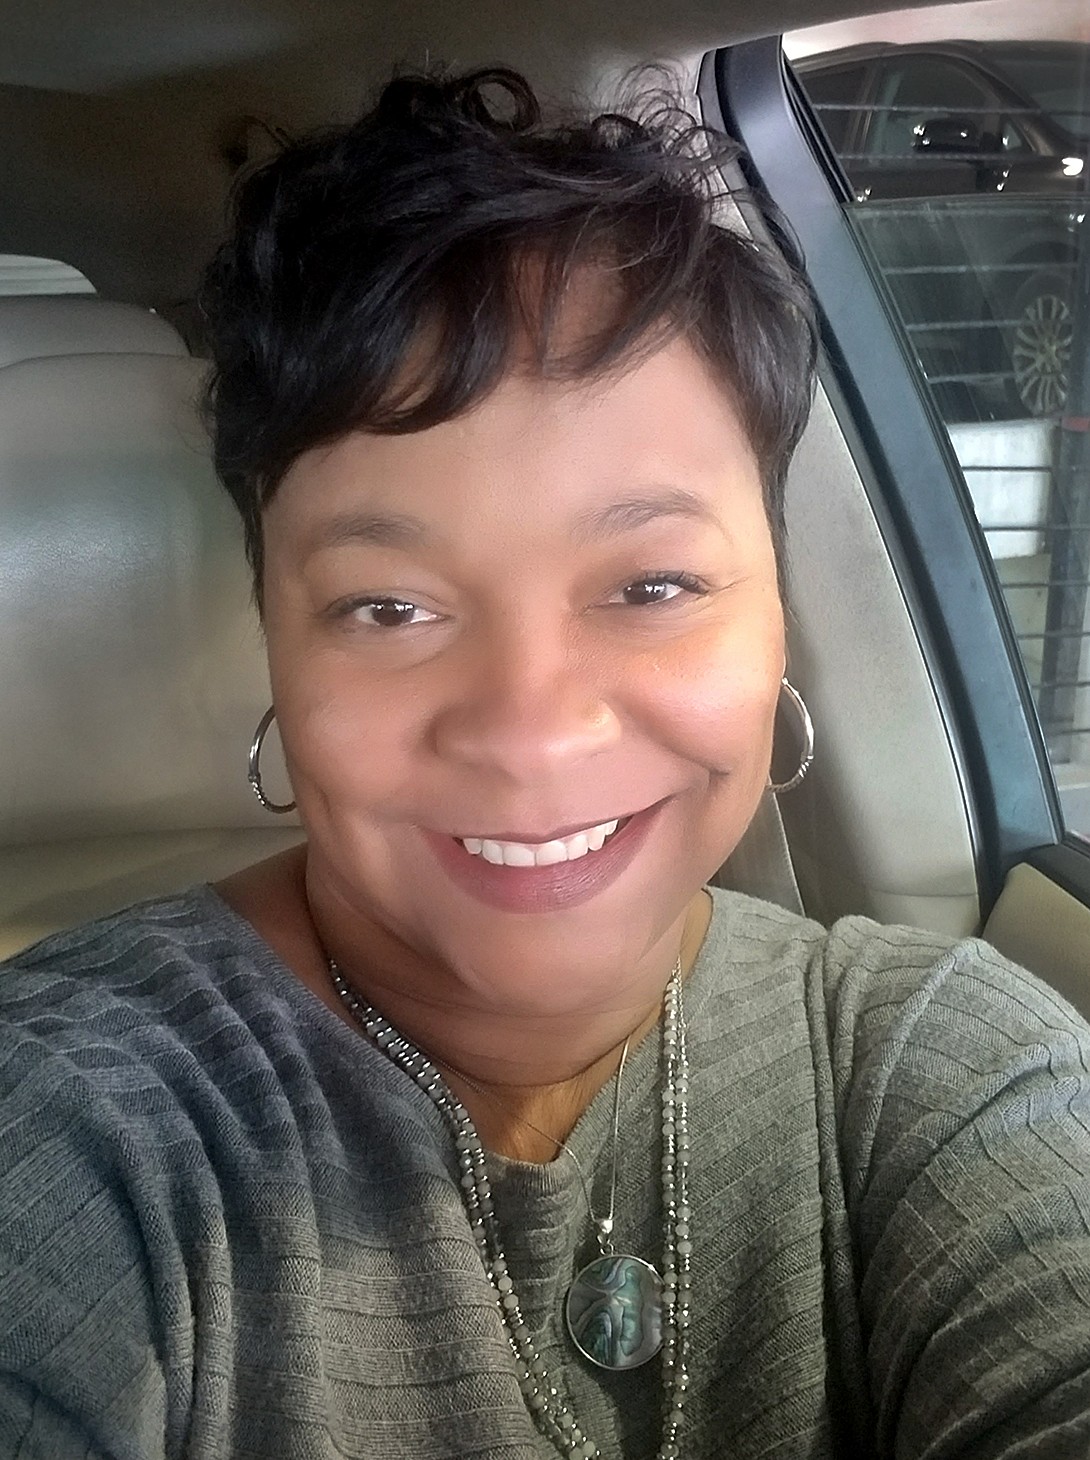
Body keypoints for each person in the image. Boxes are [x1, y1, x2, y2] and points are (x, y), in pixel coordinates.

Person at [1, 65, 1089, 1460]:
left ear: (777, 618)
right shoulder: (79, 1120)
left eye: (648, 586)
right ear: (276, 638)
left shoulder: (932, 1067)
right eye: (388, 608)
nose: (529, 729)